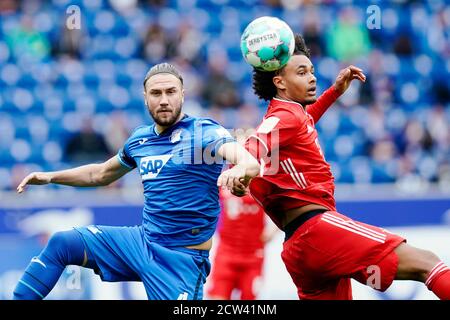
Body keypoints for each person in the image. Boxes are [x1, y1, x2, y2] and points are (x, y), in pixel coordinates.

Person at [13, 63, 260, 300]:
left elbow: (249, 162)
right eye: (156, 93)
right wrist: (50, 177)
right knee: (63, 243)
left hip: (181, 259)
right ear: (145, 97)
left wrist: (238, 171)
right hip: (141, 243)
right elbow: (99, 174)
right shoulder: (140, 140)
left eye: (171, 92)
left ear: (182, 95)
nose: (164, 100)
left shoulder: (204, 131)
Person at [234, 34, 450, 300]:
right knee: (427, 263)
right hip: (318, 230)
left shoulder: (291, 117)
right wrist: (243, 164)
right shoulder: (284, 116)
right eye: (301, 72)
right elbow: (257, 142)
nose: (312, 77)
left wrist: (335, 91)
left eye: (312, 71)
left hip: (299, 248)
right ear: (279, 82)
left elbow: (302, 121)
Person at [206, 188, 278, 300]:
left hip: (253, 256)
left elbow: (283, 203)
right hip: (226, 253)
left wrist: (273, 230)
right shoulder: (224, 180)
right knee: (217, 296)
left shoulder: (261, 184)